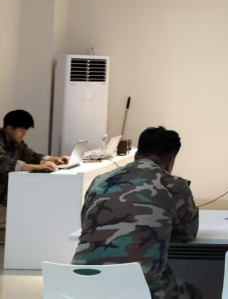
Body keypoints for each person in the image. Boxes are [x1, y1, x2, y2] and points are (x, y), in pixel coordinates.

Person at [72, 126, 200, 299]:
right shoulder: (175, 185)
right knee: (195, 293)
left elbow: (86, 224)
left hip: (83, 287)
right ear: (171, 160)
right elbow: (188, 235)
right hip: (143, 290)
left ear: (138, 153)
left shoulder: (100, 181)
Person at [0, 110, 70, 205]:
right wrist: (37, 167)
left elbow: (31, 156)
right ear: (9, 128)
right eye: (21, 131)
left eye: (25, 131)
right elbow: (4, 162)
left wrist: (54, 159)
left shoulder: (16, 142)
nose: (23, 134)